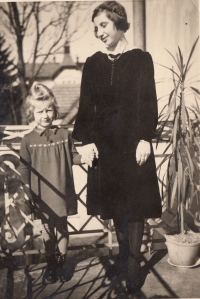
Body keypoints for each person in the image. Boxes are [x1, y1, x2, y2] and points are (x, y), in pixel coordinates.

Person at [72, 0, 162, 294]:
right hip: (104, 146)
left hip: (134, 144)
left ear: (119, 24)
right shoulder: (93, 63)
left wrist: (146, 138)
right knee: (116, 207)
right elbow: (86, 107)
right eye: (96, 27)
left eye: (104, 25)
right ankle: (124, 259)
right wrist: (84, 143)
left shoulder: (140, 59)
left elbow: (149, 101)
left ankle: (134, 269)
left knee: (135, 207)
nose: (99, 32)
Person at [20, 82, 94, 284]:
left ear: (55, 110)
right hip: (41, 196)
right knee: (46, 231)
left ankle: (61, 266)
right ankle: (50, 265)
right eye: (40, 111)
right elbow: (24, 168)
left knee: (62, 228)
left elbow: (73, 156)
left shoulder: (64, 135)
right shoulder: (28, 140)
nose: (45, 115)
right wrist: (27, 191)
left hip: (62, 192)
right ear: (31, 114)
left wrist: (85, 158)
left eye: (49, 110)